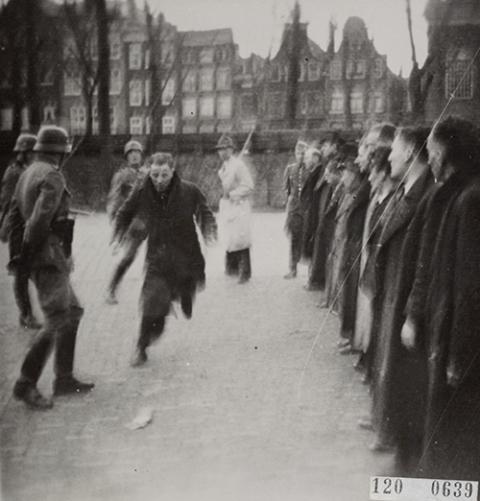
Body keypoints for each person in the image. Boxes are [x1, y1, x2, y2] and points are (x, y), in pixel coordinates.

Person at [401, 117, 480, 480]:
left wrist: (458, 356)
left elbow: (469, 288)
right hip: (443, 336)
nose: (429, 159)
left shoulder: (469, 200)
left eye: (433, 151)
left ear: (447, 152)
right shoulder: (451, 195)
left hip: (456, 346)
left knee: (454, 446)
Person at [10, 125, 94, 410]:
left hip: (40, 255)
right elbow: (37, 221)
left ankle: (65, 378)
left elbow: (12, 219)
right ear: (59, 153)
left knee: (72, 311)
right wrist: (35, 253)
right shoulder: (52, 175)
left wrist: (22, 254)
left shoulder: (26, 174)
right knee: (58, 317)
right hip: (47, 255)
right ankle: (25, 382)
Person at [112, 152, 217, 367]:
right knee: (152, 303)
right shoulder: (142, 191)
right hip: (158, 256)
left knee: (186, 285)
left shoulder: (189, 190)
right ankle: (141, 347)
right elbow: (125, 211)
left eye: (164, 175)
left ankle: (187, 294)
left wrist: (208, 229)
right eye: (155, 174)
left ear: (173, 171)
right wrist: (118, 233)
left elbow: (204, 212)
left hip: (186, 254)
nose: (159, 180)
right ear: (149, 172)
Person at [367, 127, 433, 453]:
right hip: (391, 294)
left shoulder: (424, 197)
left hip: (404, 301)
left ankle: (394, 432)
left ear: (409, 152)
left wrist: (412, 311)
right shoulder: (406, 191)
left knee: (402, 375)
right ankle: (386, 424)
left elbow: (425, 262)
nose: (388, 155)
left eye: (394, 149)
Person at [0, 133, 41, 329]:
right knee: (22, 273)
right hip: (18, 229)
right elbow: (8, 203)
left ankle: (28, 313)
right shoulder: (13, 173)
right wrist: (6, 229)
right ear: (22, 153)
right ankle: (26, 315)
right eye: (31, 153)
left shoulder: (29, 170)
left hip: (30, 228)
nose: (35, 156)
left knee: (30, 271)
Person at [331, 143, 369, 352]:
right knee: (346, 294)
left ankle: (352, 337)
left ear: (355, 174)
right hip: (344, 248)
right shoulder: (349, 193)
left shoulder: (359, 194)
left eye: (345, 174)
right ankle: (348, 335)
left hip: (353, 250)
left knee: (352, 295)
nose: (343, 178)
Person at [105, 140, 148, 304]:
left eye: (137, 152)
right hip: (131, 222)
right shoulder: (122, 176)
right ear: (126, 157)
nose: (135, 155)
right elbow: (114, 200)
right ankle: (111, 289)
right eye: (131, 153)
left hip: (148, 219)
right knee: (129, 256)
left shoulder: (147, 173)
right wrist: (117, 224)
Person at [216, 136, 254, 284]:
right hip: (228, 207)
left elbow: (249, 185)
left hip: (239, 206)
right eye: (219, 150)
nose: (222, 152)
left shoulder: (238, 166)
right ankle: (231, 269)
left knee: (241, 239)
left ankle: (245, 273)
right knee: (230, 238)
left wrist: (232, 194)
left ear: (231, 150)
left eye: (224, 149)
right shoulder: (224, 167)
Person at [283, 140, 308, 279]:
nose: (301, 156)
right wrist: (289, 207)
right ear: (295, 153)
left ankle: (311, 271)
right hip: (294, 209)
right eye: (299, 153)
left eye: (303, 153)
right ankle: (292, 269)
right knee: (294, 239)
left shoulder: (311, 169)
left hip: (306, 209)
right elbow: (287, 190)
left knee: (308, 239)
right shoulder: (290, 169)